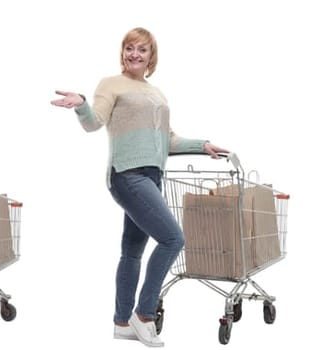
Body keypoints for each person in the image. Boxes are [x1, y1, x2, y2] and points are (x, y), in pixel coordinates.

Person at [49, 27, 229, 348]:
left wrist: (203, 145)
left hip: (152, 176)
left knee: (131, 253)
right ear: (123, 53)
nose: (134, 54)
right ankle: (144, 315)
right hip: (127, 175)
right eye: (129, 48)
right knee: (174, 239)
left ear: (151, 56)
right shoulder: (111, 84)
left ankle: (122, 324)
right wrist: (81, 104)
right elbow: (94, 123)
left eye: (142, 50)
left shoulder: (157, 93)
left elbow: (168, 140)